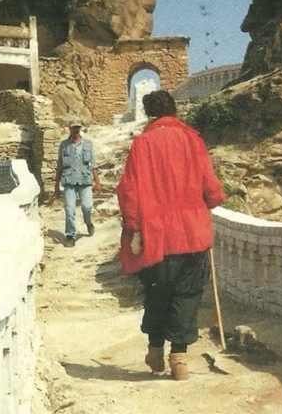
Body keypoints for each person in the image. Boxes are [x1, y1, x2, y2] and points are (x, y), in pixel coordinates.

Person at [116, 90, 225, 380]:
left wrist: (134, 227)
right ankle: (179, 358)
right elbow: (211, 188)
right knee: (187, 294)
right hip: (192, 233)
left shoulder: (142, 143)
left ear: (149, 113)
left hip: (156, 236)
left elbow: (129, 190)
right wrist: (212, 198)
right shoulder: (192, 139)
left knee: (157, 292)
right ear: (174, 110)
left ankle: (155, 350)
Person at [54, 117, 101, 247]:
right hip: (69, 181)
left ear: (80, 128)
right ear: (69, 128)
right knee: (69, 209)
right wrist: (56, 187)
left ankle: (88, 223)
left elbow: (93, 165)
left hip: (85, 180)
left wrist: (97, 182)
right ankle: (70, 235)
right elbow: (60, 166)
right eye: (73, 127)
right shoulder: (64, 145)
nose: (76, 130)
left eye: (78, 127)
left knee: (87, 206)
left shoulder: (88, 144)